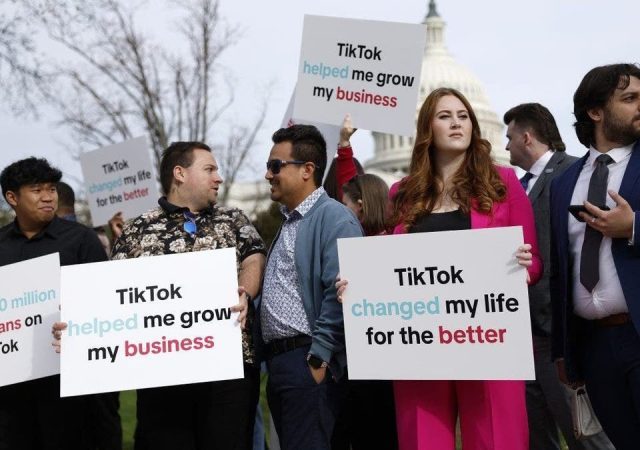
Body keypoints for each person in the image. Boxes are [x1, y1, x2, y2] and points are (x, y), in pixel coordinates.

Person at [340, 87, 542, 450]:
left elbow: (535, 262)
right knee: (423, 440)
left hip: (487, 340)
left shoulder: (503, 184)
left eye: (463, 116)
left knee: (497, 440)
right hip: (421, 345)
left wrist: (525, 267)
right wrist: (358, 285)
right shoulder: (402, 193)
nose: (456, 123)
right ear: (426, 129)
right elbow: (389, 265)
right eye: (445, 116)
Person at [57, 141, 266, 450]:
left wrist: (244, 293)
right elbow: (112, 294)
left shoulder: (233, 219)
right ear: (179, 174)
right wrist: (76, 329)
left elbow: (254, 258)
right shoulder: (138, 229)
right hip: (162, 374)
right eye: (209, 169)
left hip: (228, 370)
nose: (218, 178)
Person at [503, 103, 613, 450]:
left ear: (527, 137)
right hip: (522, 333)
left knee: (583, 434)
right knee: (537, 434)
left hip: (558, 332)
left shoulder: (573, 174)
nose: (505, 146)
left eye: (509, 137)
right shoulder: (514, 187)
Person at [550, 63, 640, 450]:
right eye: (630, 98)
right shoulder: (563, 183)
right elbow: (561, 268)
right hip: (593, 348)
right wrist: (563, 351)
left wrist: (634, 227)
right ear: (595, 111)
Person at [258, 124, 363, 450]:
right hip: (283, 366)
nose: (268, 174)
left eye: (276, 165)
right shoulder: (291, 221)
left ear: (307, 170)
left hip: (308, 362)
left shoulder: (334, 218)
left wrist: (319, 358)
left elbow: (342, 292)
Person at [0, 157, 110, 450]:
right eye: (37, 190)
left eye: (51, 189)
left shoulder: (82, 240)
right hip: (11, 389)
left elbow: (104, 302)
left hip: (69, 382)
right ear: (12, 197)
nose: (48, 197)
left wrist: (77, 323)